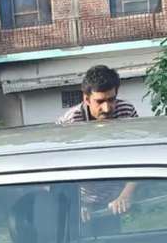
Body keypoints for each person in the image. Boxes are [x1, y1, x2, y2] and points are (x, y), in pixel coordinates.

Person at [57, 65, 138, 230]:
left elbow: (141, 156)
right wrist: (75, 205)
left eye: (111, 100)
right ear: (86, 99)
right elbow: (59, 169)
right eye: (100, 102)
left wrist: (125, 195)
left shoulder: (126, 112)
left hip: (115, 199)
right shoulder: (72, 122)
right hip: (80, 204)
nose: (107, 108)